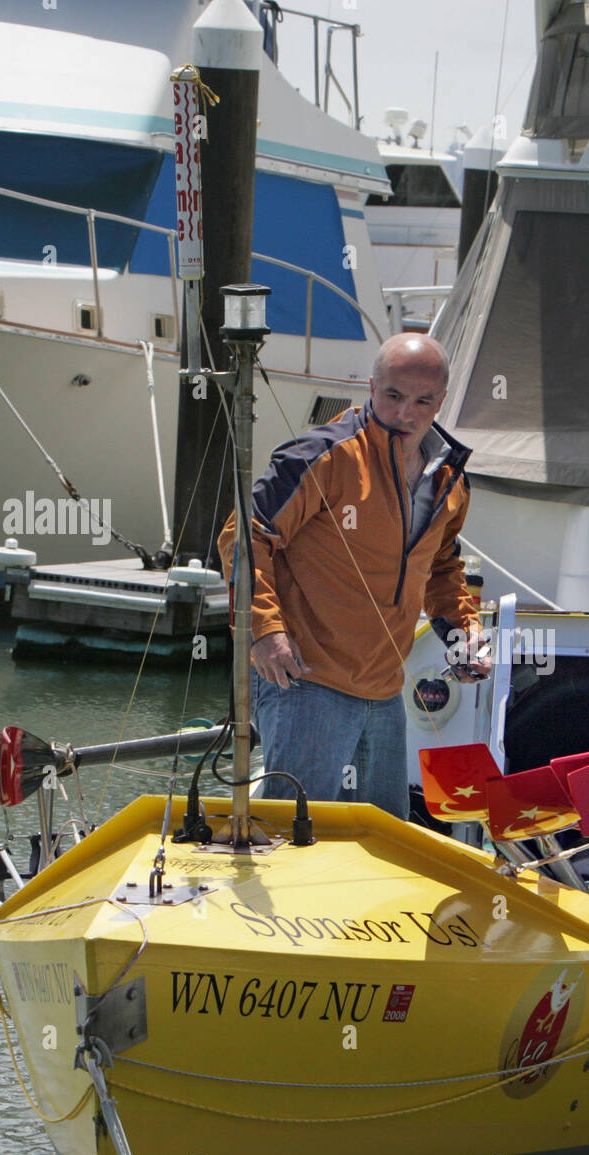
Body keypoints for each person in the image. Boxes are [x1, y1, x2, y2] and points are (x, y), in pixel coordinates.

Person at [217, 332, 491, 819]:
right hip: (305, 679)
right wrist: (264, 630)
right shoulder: (322, 455)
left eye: (422, 401)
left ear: (441, 401)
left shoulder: (451, 478)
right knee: (290, 836)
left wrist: (463, 634)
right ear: (370, 386)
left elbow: (442, 566)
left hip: (385, 692)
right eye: (393, 396)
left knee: (379, 841)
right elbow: (244, 533)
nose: (406, 412)